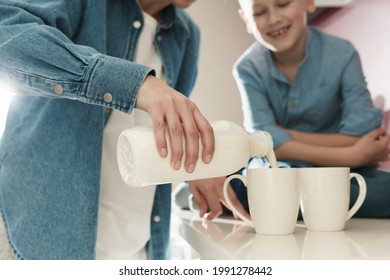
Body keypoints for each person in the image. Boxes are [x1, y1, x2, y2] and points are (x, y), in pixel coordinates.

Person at [0, 0, 216, 260]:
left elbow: (165, 124)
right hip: (37, 242)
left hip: (137, 251)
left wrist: (198, 163)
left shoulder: (187, 35)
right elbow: (7, 35)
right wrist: (134, 85)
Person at [232, 0, 390, 217]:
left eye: (283, 3)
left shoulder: (343, 54)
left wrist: (280, 135)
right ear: (246, 20)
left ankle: (244, 196)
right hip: (282, 168)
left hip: (340, 172)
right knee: (270, 182)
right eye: (259, 12)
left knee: (383, 190)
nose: (273, 19)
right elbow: (262, 143)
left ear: (309, 2)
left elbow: (361, 133)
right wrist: (353, 155)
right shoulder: (247, 68)